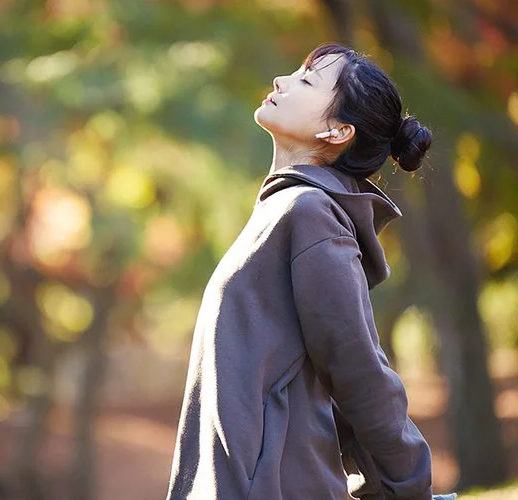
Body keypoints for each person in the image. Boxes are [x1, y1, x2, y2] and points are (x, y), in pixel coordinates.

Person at [165, 43, 457, 500]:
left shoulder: (310, 214)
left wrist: (409, 485)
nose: (281, 81)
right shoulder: (284, 210)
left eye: (306, 81)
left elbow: (357, 369)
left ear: (337, 131)